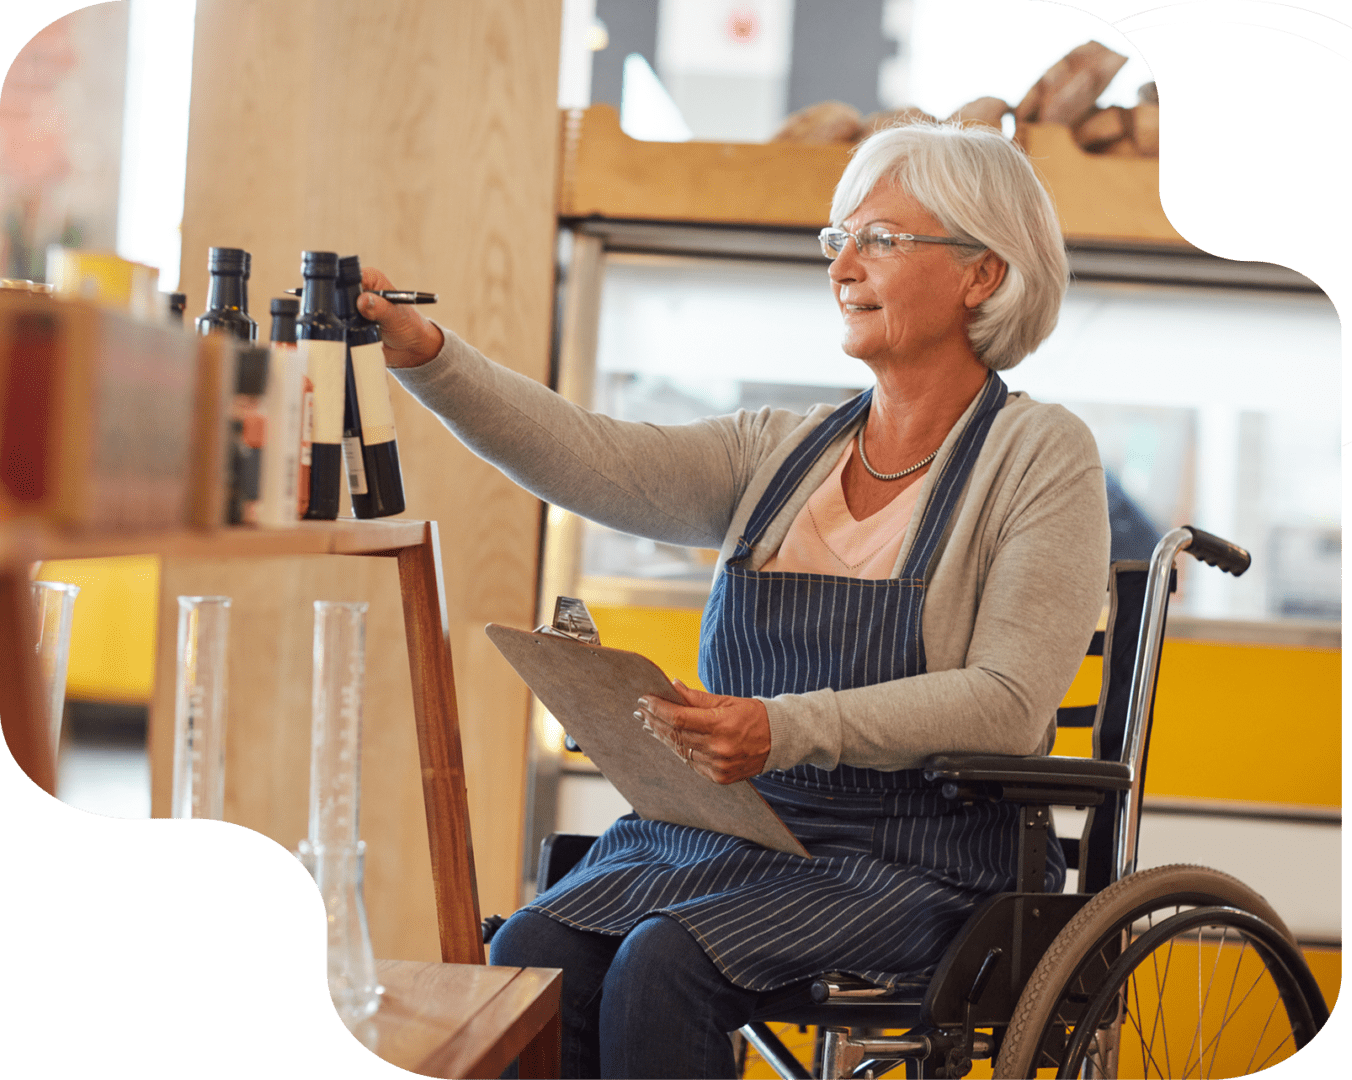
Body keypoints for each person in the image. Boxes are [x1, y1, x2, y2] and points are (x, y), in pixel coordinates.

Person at [360, 121, 1109, 1080]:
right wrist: (424, 351)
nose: (843, 266)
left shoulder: (1040, 456)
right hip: (734, 831)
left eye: (879, 239)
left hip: (925, 858)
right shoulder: (779, 451)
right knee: (529, 956)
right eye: (836, 240)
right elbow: (587, 458)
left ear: (982, 274)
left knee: (662, 968)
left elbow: (1006, 706)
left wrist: (781, 727)